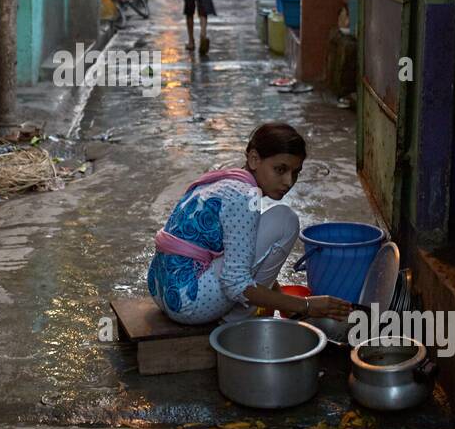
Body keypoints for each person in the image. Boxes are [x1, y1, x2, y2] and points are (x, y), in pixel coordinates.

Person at [146, 122, 352, 325]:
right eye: (280, 170)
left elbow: (244, 253)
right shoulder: (245, 197)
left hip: (161, 289)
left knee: (270, 224)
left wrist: (280, 298)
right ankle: (235, 318)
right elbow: (235, 283)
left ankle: (242, 309)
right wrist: (305, 305)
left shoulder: (224, 182)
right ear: (254, 159)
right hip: (190, 305)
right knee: (285, 220)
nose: (289, 182)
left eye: (295, 173)